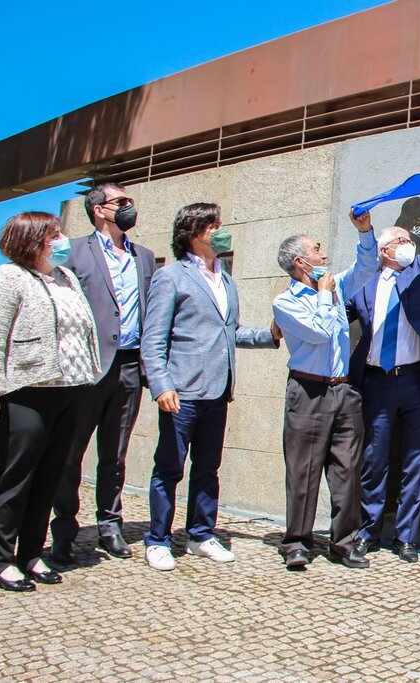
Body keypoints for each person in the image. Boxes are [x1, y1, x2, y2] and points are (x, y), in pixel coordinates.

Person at [140, 203, 281, 572]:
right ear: (193, 233)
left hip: (218, 391)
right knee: (169, 469)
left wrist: (269, 335)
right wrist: (161, 385)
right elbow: (153, 339)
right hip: (181, 392)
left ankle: (202, 533)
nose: (222, 230)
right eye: (215, 225)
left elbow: (229, 333)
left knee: (208, 467)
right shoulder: (171, 277)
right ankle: (158, 539)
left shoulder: (227, 279)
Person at [0, 212, 101, 591]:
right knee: (16, 477)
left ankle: (30, 554)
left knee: (50, 475)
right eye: (55, 234)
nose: (63, 240)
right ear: (32, 239)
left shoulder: (65, 278)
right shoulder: (6, 278)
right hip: (27, 392)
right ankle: (0, 561)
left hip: (70, 389)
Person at [348, 189, 420, 563]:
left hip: (417, 381)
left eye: (410, 240)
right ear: (383, 250)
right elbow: (334, 315)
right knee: (375, 459)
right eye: (401, 240)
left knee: (416, 459)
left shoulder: (419, 275)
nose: (409, 245)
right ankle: (368, 532)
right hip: (378, 382)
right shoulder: (363, 284)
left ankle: (406, 537)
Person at [50, 182, 155, 564]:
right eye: (121, 202)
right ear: (99, 210)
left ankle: (110, 524)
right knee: (71, 452)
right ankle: (64, 528)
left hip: (130, 366)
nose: (129, 207)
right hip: (87, 367)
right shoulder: (74, 252)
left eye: (130, 201)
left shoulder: (143, 257)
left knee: (116, 453)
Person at [272, 211, 379, 570]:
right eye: (318, 250)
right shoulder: (285, 303)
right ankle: (297, 542)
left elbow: (365, 267)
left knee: (347, 470)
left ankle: (344, 542)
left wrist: (365, 232)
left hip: (343, 390)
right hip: (308, 390)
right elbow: (318, 333)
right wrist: (323, 296)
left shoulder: (335, 287)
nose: (324, 255)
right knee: (303, 470)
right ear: (301, 261)